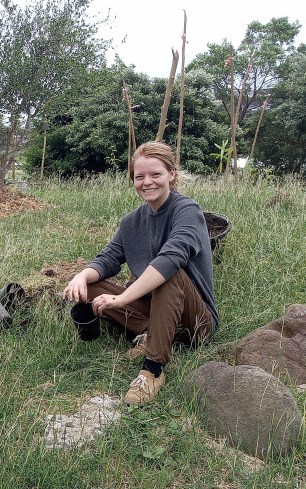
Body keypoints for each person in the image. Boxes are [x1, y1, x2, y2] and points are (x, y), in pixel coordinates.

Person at [62, 141, 218, 406]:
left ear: (171, 174)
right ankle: (150, 332)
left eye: (155, 174)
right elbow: (108, 258)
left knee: (169, 272)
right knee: (92, 285)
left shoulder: (187, 211)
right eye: (139, 176)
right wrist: (81, 277)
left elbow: (171, 258)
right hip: (154, 310)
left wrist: (122, 299)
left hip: (194, 322)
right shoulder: (131, 221)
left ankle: (152, 370)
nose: (147, 182)